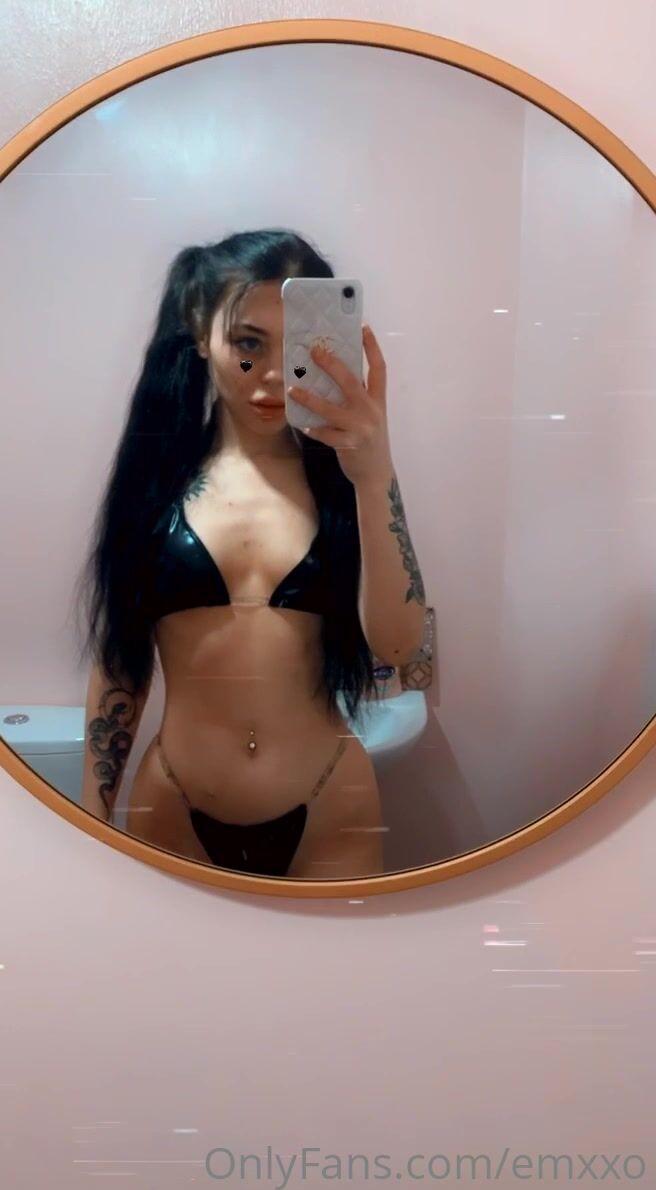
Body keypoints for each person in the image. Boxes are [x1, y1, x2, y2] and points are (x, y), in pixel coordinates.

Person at [74, 228, 426, 879]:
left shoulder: (347, 479)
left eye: (297, 347)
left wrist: (375, 473)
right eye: (247, 343)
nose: (270, 375)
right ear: (199, 331)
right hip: (174, 811)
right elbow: (121, 659)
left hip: (331, 814)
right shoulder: (157, 481)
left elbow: (402, 647)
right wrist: (92, 816)